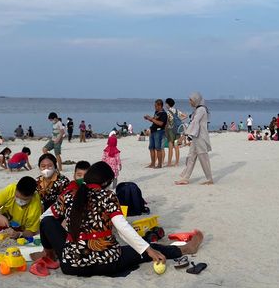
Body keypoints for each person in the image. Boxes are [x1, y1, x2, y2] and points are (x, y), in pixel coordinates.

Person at [33, 161, 204, 277]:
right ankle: (187, 249)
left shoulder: (69, 195)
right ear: (106, 182)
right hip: (106, 262)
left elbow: (46, 218)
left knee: (47, 222)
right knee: (148, 248)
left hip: (71, 266)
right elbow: (122, 228)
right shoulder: (108, 196)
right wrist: (147, 250)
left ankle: (49, 255)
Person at [175, 92, 213, 185]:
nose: (189, 102)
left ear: (196, 100)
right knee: (191, 157)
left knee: (203, 158)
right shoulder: (198, 109)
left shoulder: (201, 110)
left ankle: (209, 179)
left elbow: (194, 123)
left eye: (191, 100)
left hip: (200, 138)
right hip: (196, 137)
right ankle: (186, 178)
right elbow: (194, 123)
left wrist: (184, 136)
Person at [144, 99, 168, 169]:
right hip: (153, 130)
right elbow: (154, 120)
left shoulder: (164, 114)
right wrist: (148, 118)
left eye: (156, 106)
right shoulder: (156, 112)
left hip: (159, 131)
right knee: (151, 148)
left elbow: (161, 123)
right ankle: (152, 163)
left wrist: (151, 119)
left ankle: (159, 164)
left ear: (160, 105)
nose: (155, 107)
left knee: (158, 148)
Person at [165, 98, 185, 167]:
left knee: (170, 147)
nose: (165, 105)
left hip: (170, 130)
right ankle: (177, 163)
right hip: (177, 130)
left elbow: (166, 122)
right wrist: (179, 120)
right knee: (176, 147)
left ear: (167, 104)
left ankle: (169, 163)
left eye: (166, 103)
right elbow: (185, 116)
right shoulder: (177, 110)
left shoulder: (168, 112)